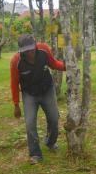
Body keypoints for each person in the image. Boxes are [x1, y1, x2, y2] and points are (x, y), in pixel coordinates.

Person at [10, 34, 66, 164]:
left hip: (47, 89)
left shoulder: (43, 49)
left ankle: (50, 142)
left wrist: (66, 66)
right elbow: (14, 83)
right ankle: (35, 154)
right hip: (29, 93)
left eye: (32, 48)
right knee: (30, 123)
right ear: (21, 50)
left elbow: (54, 64)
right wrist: (16, 104)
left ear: (35, 45)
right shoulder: (16, 61)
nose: (30, 52)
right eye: (26, 50)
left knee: (53, 118)